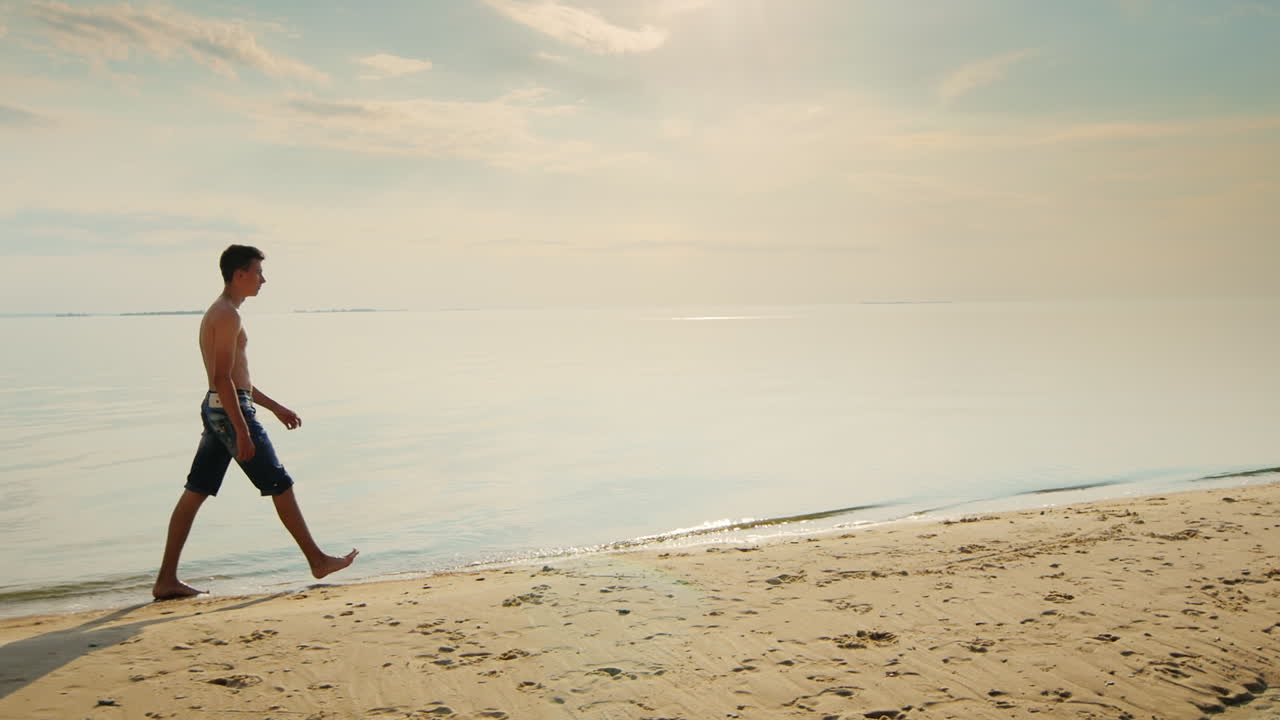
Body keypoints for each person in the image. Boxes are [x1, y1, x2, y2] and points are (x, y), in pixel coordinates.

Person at [153, 245, 358, 600]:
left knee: (196, 491)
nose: (264, 279)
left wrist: (276, 407)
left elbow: (237, 380)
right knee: (280, 484)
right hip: (229, 412)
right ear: (239, 274)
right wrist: (243, 429)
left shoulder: (225, 312)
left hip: (223, 408)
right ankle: (317, 560)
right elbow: (221, 378)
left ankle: (166, 580)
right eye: (258, 272)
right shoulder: (226, 315)